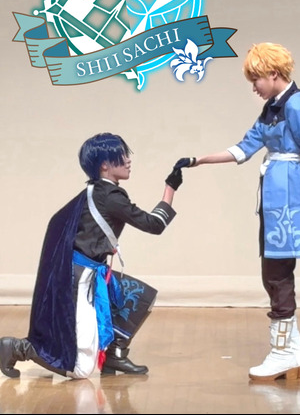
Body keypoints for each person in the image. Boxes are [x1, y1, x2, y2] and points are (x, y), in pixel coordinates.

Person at [174, 42, 300, 382]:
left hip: (285, 193)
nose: (253, 87)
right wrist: (199, 160)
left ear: (273, 73)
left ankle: (284, 352)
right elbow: (245, 147)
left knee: (278, 272)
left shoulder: (295, 103)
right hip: (273, 193)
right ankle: (293, 350)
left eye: (256, 79)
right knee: (272, 270)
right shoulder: (273, 107)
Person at [0, 132, 181, 379]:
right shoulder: (110, 196)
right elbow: (154, 225)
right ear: (105, 165)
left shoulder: (95, 191)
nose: (128, 160)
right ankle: (18, 348)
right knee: (80, 370)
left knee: (140, 297)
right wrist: (170, 188)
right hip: (82, 278)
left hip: (87, 271)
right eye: (122, 156)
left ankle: (115, 356)